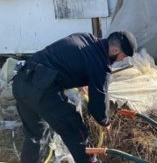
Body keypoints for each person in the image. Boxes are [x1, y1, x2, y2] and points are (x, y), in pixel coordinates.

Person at [12, 31, 137, 163]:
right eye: (123, 56)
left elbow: (65, 60)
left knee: (36, 135)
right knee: (75, 131)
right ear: (115, 50)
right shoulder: (101, 63)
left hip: (21, 81)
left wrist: (80, 81)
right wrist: (104, 121)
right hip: (44, 92)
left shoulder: (84, 37)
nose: (122, 59)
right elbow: (98, 101)